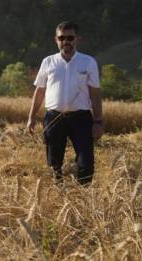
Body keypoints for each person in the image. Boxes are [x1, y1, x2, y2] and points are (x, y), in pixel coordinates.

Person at [27, 21, 103, 185]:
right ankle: (58, 194)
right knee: (54, 163)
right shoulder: (48, 62)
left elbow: (95, 93)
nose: (65, 41)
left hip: (81, 119)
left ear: (78, 39)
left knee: (86, 161)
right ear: (56, 39)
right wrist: (31, 117)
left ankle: (83, 197)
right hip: (54, 119)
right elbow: (39, 91)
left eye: (70, 37)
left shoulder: (88, 62)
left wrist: (98, 121)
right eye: (62, 38)